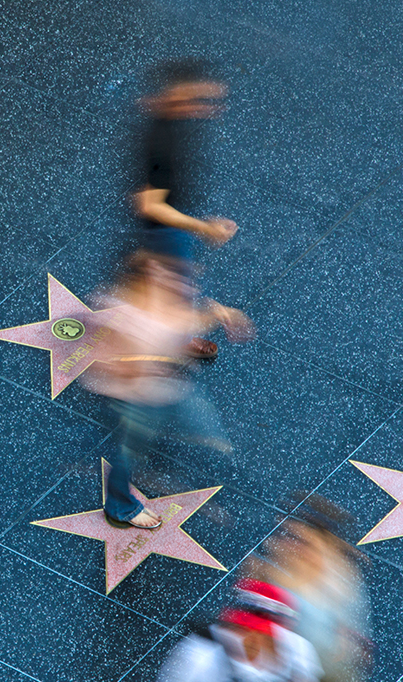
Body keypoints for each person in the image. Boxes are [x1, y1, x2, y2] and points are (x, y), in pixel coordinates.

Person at [83, 250, 253, 529]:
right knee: (129, 449)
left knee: (192, 412)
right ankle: (119, 506)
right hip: (135, 396)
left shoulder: (160, 306)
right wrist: (142, 364)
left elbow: (185, 320)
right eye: (159, 279)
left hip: (165, 385)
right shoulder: (122, 318)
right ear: (138, 284)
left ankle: (207, 443)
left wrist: (222, 313)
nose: (175, 286)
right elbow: (114, 366)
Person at [133, 58, 236, 359]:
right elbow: (151, 206)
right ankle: (176, 339)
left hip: (170, 227)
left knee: (173, 279)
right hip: (165, 230)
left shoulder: (168, 125)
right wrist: (205, 228)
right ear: (176, 97)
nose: (208, 107)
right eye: (199, 99)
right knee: (176, 283)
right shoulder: (162, 142)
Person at [246, 495, 374, 682]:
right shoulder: (272, 572)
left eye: (300, 540)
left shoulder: (339, 580)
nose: (289, 544)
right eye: (286, 535)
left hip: (328, 667)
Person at [157, 579, 323, 682]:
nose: (250, 635)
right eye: (243, 627)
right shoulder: (198, 657)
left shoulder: (299, 651)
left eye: (261, 630)